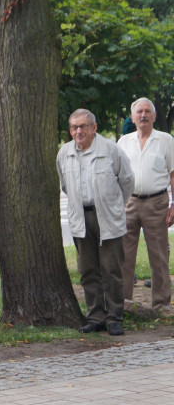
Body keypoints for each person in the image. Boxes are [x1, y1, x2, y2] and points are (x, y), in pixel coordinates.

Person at [59, 109, 134, 335]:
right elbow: (64, 184)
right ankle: (95, 317)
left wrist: (113, 205)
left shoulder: (110, 150)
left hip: (108, 216)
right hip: (81, 216)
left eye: (83, 126)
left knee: (111, 269)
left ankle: (114, 318)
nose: (78, 131)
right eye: (74, 127)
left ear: (94, 127)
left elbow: (127, 181)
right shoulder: (64, 153)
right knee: (87, 269)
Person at [117, 98, 174, 314]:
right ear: (132, 117)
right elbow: (117, 175)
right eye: (139, 112)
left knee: (159, 255)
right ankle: (123, 302)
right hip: (129, 202)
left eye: (147, 111)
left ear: (154, 116)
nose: (143, 115)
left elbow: (173, 174)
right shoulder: (124, 142)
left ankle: (161, 304)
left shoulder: (166, 140)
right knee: (123, 254)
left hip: (156, 202)